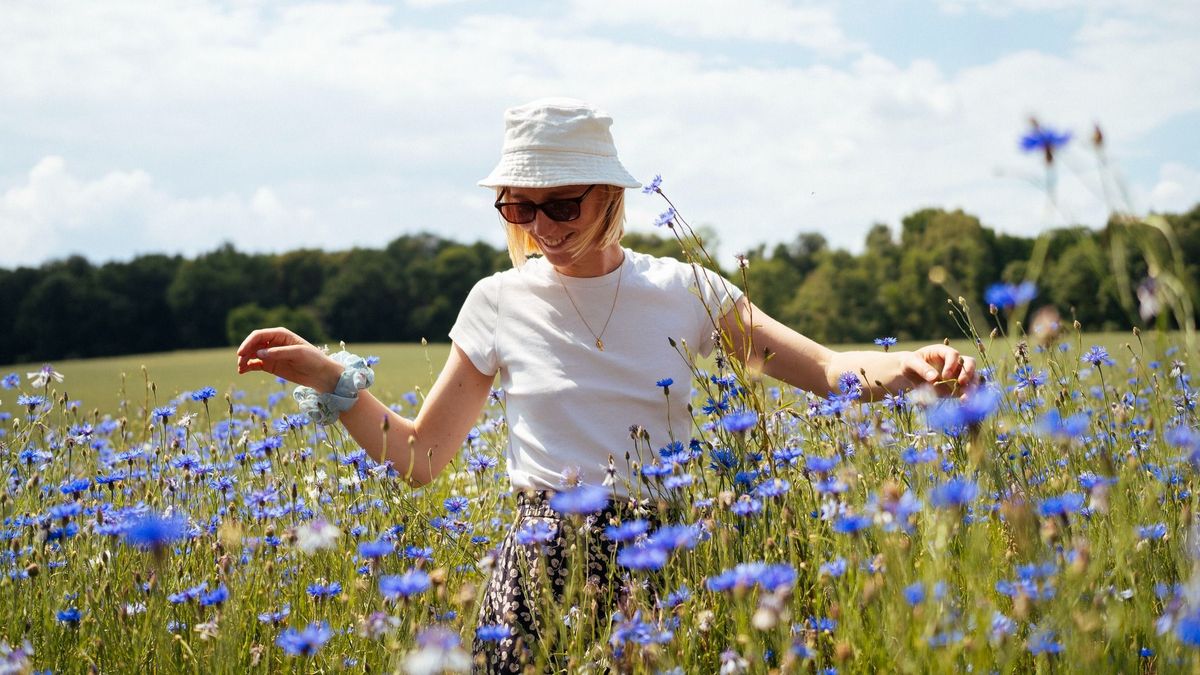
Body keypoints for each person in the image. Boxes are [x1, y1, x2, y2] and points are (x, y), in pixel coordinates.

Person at [235, 97, 977, 672]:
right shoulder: (497, 299)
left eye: (563, 204)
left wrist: (909, 366)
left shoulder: (686, 287)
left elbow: (820, 369)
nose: (543, 226)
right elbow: (422, 457)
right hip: (537, 563)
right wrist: (332, 380)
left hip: (668, 557)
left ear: (611, 195)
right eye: (521, 208)